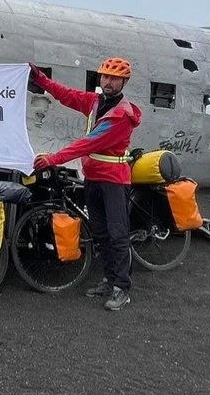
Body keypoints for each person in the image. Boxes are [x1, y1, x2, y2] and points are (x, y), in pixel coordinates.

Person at [30, 58, 142, 311]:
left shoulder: (121, 115)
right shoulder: (95, 102)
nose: (108, 82)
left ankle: (121, 288)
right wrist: (40, 79)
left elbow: (87, 143)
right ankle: (109, 279)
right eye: (105, 77)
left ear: (124, 82)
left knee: (117, 235)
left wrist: (53, 158)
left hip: (114, 181)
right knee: (100, 233)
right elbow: (66, 95)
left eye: (114, 78)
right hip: (92, 178)